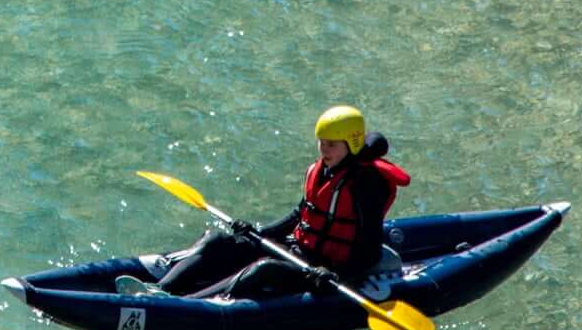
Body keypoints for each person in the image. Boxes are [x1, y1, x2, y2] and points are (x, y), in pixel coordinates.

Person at [153, 105, 412, 301]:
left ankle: (193, 305)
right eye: (321, 142)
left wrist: (335, 275)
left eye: (331, 144)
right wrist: (259, 231)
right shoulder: (322, 171)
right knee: (215, 241)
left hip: (323, 268)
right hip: (296, 249)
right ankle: (158, 292)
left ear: (351, 144)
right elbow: (300, 214)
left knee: (263, 270)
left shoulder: (366, 185)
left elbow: (368, 251)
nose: (323, 149)